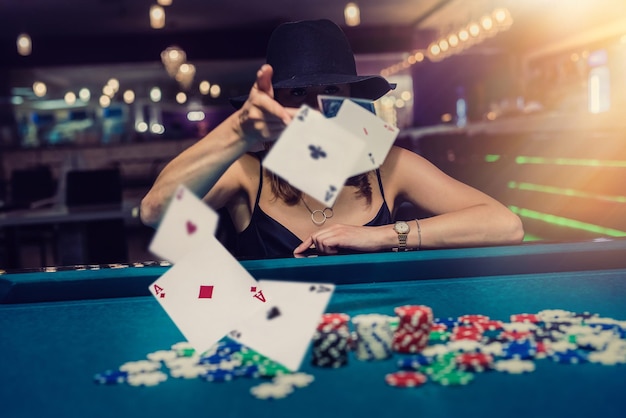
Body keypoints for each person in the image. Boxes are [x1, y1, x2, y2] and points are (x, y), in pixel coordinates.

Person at [140, 19, 524, 258]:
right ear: (275, 103)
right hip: (276, 350)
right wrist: (238, 132)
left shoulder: (389, 168)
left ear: (352, 99)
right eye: (297, 94)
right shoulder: (246, 173)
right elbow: (154, 213)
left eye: (330, 92)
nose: (316, 109)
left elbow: (506, 225)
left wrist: (381, 237)